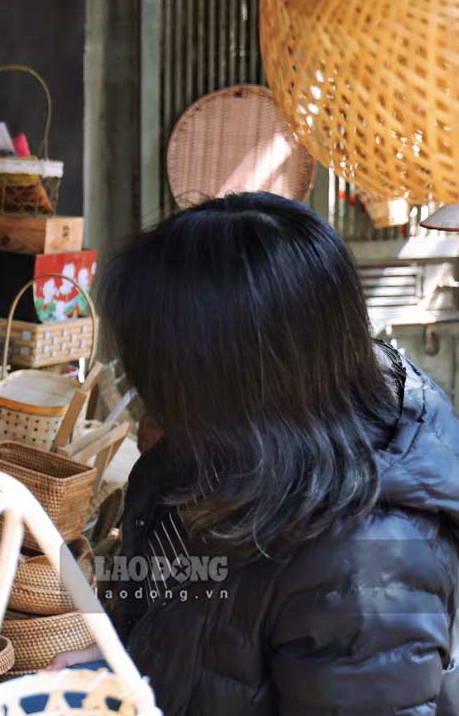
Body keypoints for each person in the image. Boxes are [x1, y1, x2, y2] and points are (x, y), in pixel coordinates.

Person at [54, 193, 459, 714]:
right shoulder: (219, 452)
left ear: (224, 378)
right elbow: (189, 632)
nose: (141, 389)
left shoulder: (366, 568)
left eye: (155, 369)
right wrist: (117, 665)